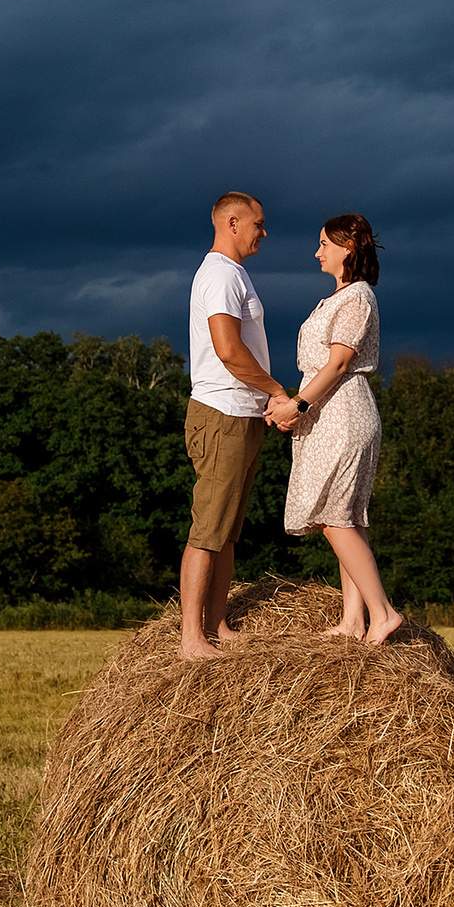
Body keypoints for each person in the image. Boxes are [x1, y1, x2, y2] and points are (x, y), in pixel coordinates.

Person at [268, 213, 401, 645]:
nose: (317, 251)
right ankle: (353, 620)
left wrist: (298, 405)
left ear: (348, 248)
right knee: (343, 517)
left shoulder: (357, 298)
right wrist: (295, 407)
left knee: (333, 515)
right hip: (328, 413)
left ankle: (382, 613)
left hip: (342, 414)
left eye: (324, 243)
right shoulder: (338, 298)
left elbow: (340, 362)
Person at [178, 191, 290, 661]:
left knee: (226, 529)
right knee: (208, 527)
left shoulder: (233, 274)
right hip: (222, 413)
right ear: (231, 222)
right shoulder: (222, 275)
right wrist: (275, 390)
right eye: (258, 224)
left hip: (239, 414)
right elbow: (227, 348)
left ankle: (217, 626)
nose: (264, 232)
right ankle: (190, 640)